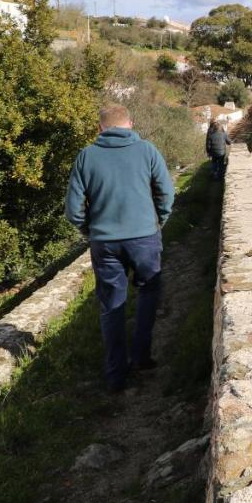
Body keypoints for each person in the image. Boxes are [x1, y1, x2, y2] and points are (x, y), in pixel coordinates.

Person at [65, 104, 174, 393]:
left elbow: (73, 209)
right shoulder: (148, 150)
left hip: (105, 242)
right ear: (131, 123)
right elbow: (166, 192)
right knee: (149, 291)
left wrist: (91, 230)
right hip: (144, 238)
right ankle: (141, 357)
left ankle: (116, 375)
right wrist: (157, 221)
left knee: (112, 304)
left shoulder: (86, 157)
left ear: (100, 128)